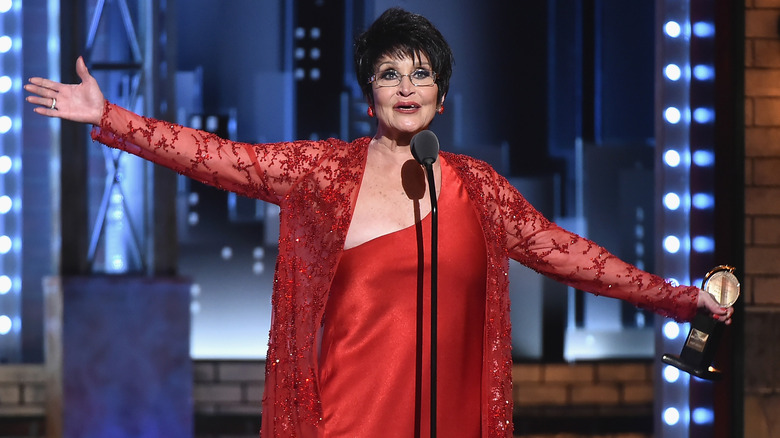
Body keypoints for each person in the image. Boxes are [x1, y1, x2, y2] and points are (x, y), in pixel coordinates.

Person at [26, 7, 732, 438]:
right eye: (390, 73)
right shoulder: (323, 175)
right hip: (345, 426)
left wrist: (680, 298)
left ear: (442, 96)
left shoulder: (478, 189)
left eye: (421, 74)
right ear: (369, 95)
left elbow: (572, 257)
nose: (406, 87)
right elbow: (220, 158)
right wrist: (110, 118)